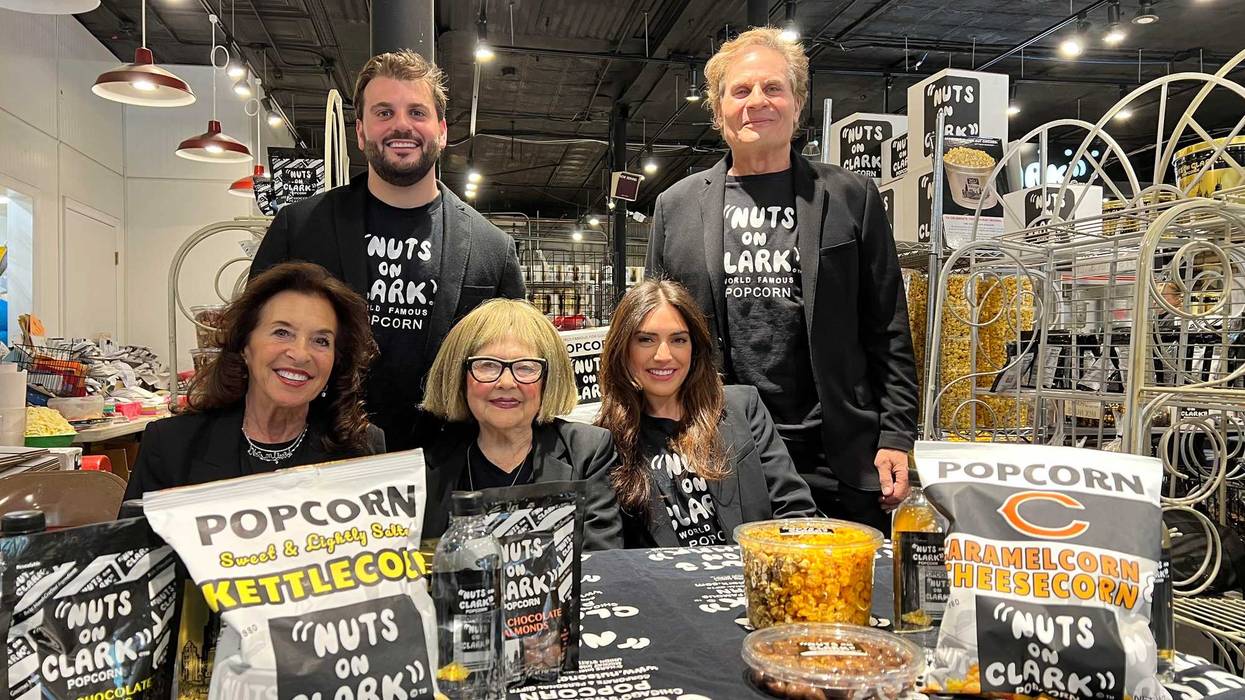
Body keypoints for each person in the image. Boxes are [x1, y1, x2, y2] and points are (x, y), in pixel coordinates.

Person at [645, 27, 918, 532]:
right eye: (741, 91)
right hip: (721, 448)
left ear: (797, 104)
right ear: (718, 107)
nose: (757, 102)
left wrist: (897, 435)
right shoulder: (676, 207)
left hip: (837, 451)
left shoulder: (850, 197)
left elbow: (888, 328)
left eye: (773, 88)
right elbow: (651, 337)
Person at [250, 50, 525, 452]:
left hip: (448, 467)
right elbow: (251, 340)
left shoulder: (492, 248)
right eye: (384, 113)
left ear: (442, 130)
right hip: (319, 459)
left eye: (417, 112)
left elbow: (517, 361)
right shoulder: (300, 227)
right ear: (360, 132)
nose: (401, 126)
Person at [124, 262, 385, 500]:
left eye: (321, 341)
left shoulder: (362, 448)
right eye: (282, 332)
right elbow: (132, 552)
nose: (300, 354)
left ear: (335, 360)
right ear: (244, 345)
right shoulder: (171, 446)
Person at [596, 279, 816, 548]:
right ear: (623, 349)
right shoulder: (604, 444)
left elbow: (795, 511)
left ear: (695, 347)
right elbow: (609, 554)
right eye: (645, 340)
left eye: (678, 339)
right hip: (666, 587)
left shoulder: (743, 408)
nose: (664, 355)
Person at [420, 299, 622, 550]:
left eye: (526, 367)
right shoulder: (427, 467)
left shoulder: (587, 452)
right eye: (487, 365)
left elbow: (601, 562)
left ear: (548, 379)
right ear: (459, 376)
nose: (506, 382)